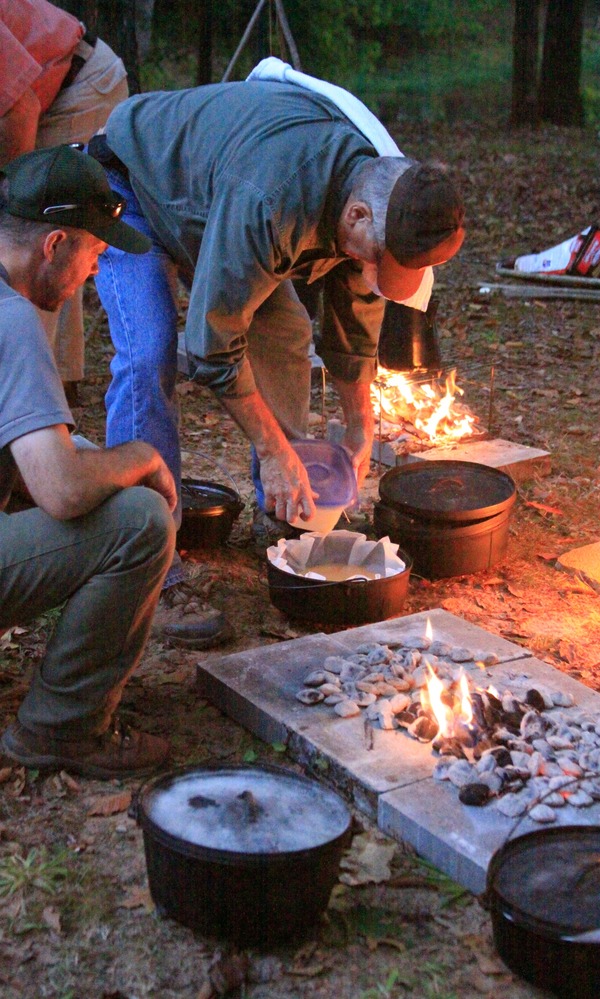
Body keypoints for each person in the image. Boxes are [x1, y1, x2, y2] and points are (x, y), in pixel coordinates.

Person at [90, 67, 465, 647]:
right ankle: (147, 572)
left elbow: (353, 323)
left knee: (286, 329)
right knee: (150, 353)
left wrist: (359, 428)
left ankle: (291, 508)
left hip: (213, 201)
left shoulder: (381, 195)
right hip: (133, 185)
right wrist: (271, 448)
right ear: (357, 218)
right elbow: (213, 345)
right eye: (379, 259)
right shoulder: (273, 199)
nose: (375, 274)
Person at [0, 144, 179, 779]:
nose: (96, 274)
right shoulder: (13, 319)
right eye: (95, 253)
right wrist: (142, 456)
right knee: (139, 519)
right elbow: (62, 492)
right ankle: (61, 729)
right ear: (53, 246)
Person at [0, 0, 129, 404]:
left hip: (78, 85)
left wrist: (10, 205)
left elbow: (19, 108)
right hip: (37, 94)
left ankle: (32, 397)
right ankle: (46, 385)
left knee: (37, 234)